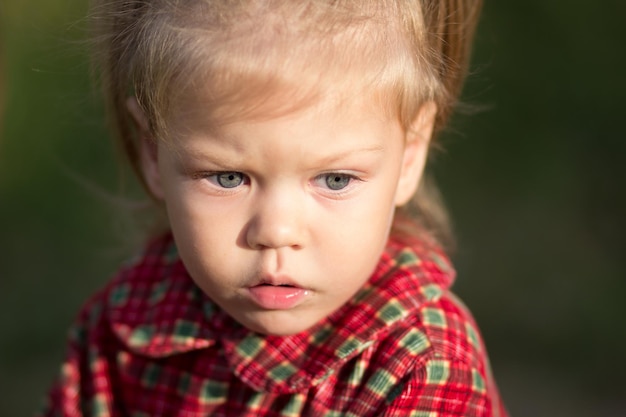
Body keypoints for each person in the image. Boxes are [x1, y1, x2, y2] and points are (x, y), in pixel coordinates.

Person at [40, 1, 508, 415]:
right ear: (152, 151)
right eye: (228, 177)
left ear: (410, 153)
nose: (277, 232)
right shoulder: (127, 325)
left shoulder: (421, 364)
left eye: (335, 179)